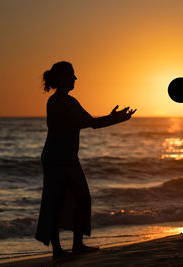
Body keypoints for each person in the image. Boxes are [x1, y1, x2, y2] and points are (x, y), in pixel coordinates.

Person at [35, 61, 136, 258]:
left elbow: (91, 123)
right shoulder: (55, 102)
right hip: (55, 159)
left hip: (70, 159)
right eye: (72, 74)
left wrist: (114, 118)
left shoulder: (72, 101)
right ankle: (57, 250)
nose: (75, 78)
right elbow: (83, 123)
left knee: (82, 198)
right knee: (56, 201)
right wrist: (112, 118)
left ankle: (77, 244)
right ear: (63, 78)